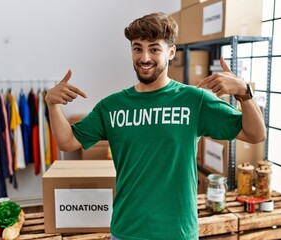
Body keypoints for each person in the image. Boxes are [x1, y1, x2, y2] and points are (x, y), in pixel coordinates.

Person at [45, 12, 266, 240]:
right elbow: (67, 142)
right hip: (127, 231)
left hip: (178, 232)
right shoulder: (111, 106)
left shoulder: (194, 100)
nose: (145, 57)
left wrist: (244, 93)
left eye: (154, 49)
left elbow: (255, 134)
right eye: (137, 48)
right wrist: (52, 106)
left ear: (171, 52)